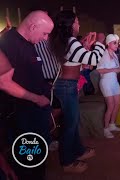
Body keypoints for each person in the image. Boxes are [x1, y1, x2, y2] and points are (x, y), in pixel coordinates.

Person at [49, 10, 105, 173]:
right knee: (70, 125)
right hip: (66, 86)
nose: (79, 24)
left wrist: (85, 46)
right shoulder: (71, 41)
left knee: (72, 122)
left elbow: (74, 60)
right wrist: (100, 43)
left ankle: (78, 150)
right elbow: (93, 60)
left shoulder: (64, 41)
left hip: (65, 85)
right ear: (70, 24)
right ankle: (67, 162)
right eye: (77, 21)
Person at [0, 10, 53, 180]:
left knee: (36, 157)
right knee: (27, 159)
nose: (45, 38)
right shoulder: (10, 43)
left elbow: (26, 74)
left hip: (34, 110)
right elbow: (4, 83)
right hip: (22, 113)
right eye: (44, 33)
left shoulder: (27, 42)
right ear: (32, 27)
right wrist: (37, 98)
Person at [97, 34, 120, 138]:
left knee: (117, 104)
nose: (117, 45)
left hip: (114, 81)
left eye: (117, 43)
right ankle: (105, 129)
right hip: (105, 82)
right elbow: (99, 70)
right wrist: (114, 70)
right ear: (108, 43)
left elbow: (116, 71)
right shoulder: (103, 54)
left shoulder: (114, 55)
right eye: (114, 43)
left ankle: (112, 124)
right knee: (110, 106)